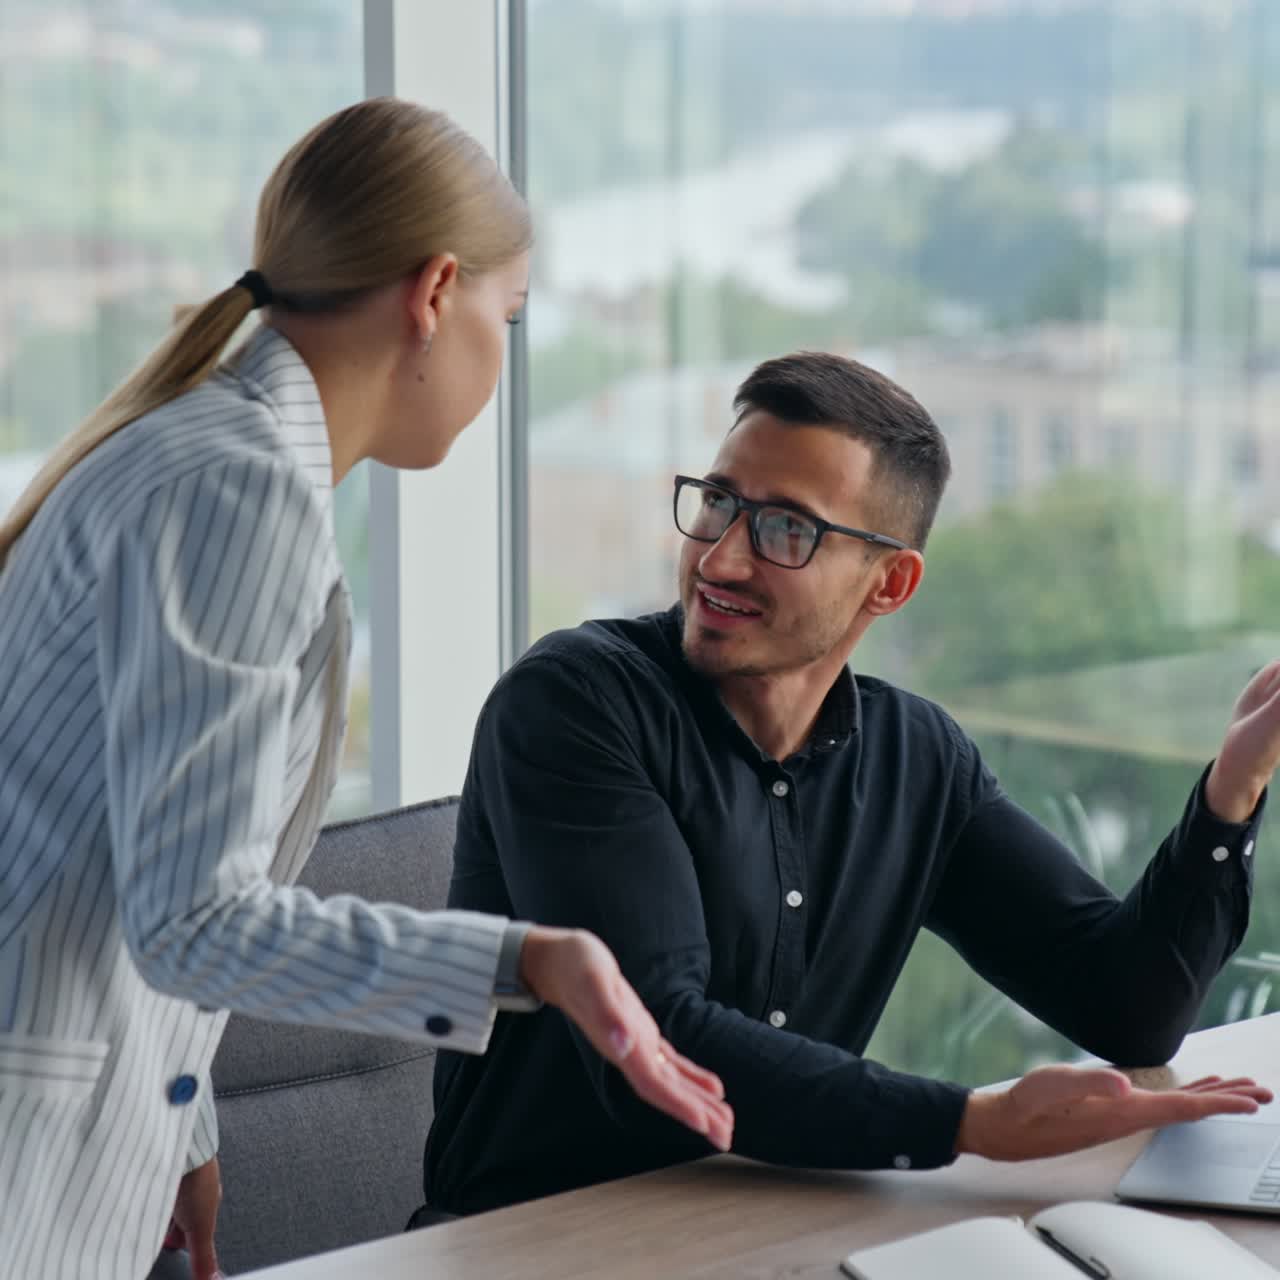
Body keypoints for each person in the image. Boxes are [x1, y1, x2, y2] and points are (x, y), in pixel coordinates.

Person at [0, 97, 732, 1280]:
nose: (504, 348)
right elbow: (194, 917)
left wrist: (178, 1121)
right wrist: (523, 958)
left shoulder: (193, 448)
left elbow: (112, 842)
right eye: (510, 313)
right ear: (435, 292)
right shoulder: (239, 494)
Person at [422, 349, 1279, 1218]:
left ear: (891, 582)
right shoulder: (574, 701)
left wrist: (1234, 789)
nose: (718, 562)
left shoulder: (918, 759)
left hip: (776, 1227)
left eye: (786, 530)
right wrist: (966, 1123)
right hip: (532, 1245)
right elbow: (651, 1041)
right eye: (719, 503)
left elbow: (1126, 1007)